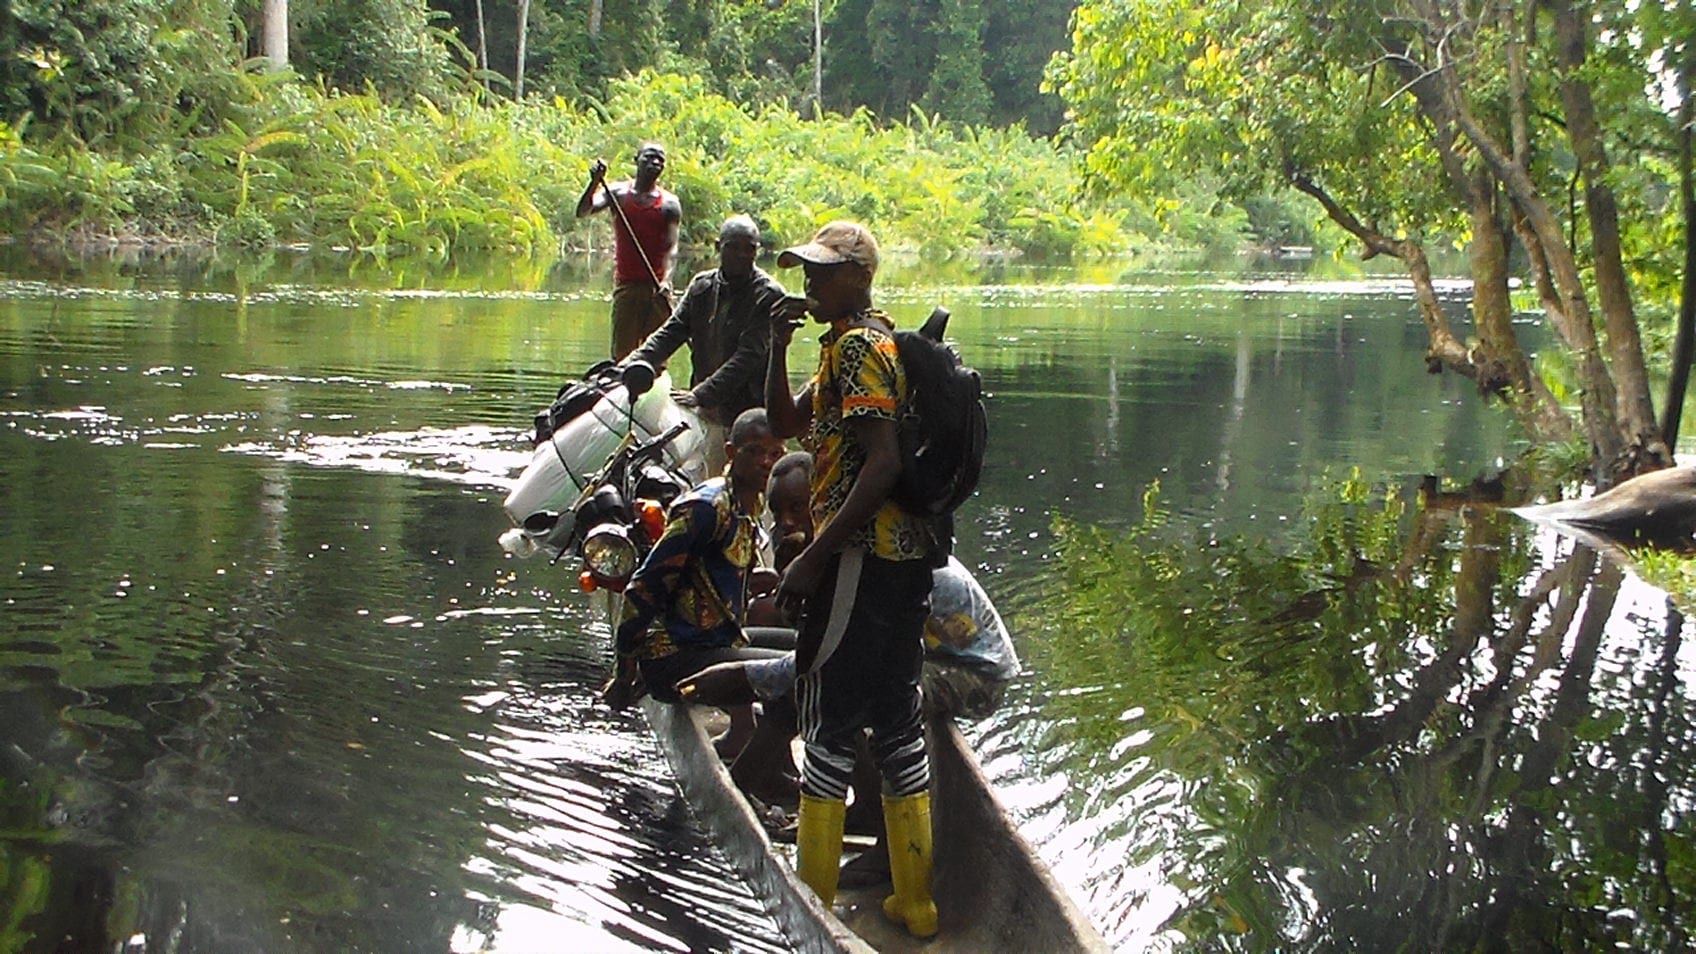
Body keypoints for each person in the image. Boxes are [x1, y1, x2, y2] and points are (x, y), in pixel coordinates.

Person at [763, 220, 940, 938]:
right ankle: (916, 907)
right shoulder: (851, 344)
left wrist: (812, 556)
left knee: (830, 723)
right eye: (807, 269)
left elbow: (884, 462)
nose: (809, 280)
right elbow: (781, 423)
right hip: (899, 563)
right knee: (897, 723)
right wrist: (775, 344)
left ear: (860, 278)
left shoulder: (862, 349)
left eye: (823, 270)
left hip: (862, 563)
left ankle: (814, 910)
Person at [597, 408, 796, 801]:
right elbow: (642, 590)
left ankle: (759, 747)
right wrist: (625, 674)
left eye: (775, 453)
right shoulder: (705, 509)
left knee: (810, 651)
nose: (766, 462)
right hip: (676, 656)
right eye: (755, 452)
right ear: (730, 453)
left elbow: (719, 573)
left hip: (715, 641)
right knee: (795, 679)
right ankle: (754, 780)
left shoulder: (751, 503)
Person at [626, 215, 789, 474]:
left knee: (742, 483)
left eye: (749, 248)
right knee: (704, 481)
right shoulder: (703, 287)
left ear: (757, 250)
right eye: (733, 247)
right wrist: (633, 362)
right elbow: (671, 332)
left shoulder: (768, 295)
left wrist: (701, 394)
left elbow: (748, 356)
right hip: (707, 412)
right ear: (717, 247)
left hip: (750, 415)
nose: (741, 255)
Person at [576, 143, 683, 360]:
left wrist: (666, 282)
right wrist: (594, 182)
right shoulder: (618, 193)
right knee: (622, 354)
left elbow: (671, 250)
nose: (655, 163)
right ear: (637, 159)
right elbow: (583, 211)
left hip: (657, 290)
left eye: (660, 160)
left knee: (656, 355)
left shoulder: (670, 204)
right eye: (649, 157)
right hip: (627, 287)